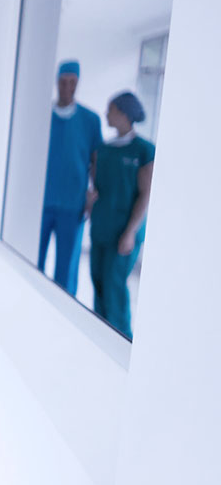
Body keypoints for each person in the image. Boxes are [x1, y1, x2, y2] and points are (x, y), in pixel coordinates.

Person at [89, 91, 154, 338]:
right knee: (98, 282)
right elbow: (99, 185)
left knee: (114, 285)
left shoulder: (144, 150)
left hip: (123, 231)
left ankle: (121, 339)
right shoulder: (104, 149)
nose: (107, 114)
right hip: (102, 226)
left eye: (111, 109)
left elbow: (146, 194)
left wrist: (130, 232)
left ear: (124, 114)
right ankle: (99, 336)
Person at [38, 60, 103, 296]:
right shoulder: (41, 116)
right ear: (56, 82)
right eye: (63, 82)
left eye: (72, 82)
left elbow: (96, 161)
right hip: (40, 202)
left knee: (66, 269)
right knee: (32, 259)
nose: (67, 87)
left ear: (78, 83)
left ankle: (62, 308)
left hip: (73, 204)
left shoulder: (90, 120)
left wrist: (92, 195)